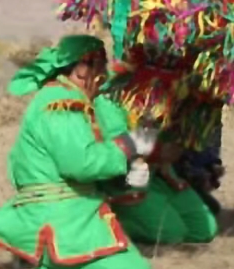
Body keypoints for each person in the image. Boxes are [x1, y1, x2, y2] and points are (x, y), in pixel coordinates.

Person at [0, 35, 157, 269]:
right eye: (100, 66)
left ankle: (44, 264)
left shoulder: (65, 99)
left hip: (70, 208)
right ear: (81, 68)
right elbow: (81, 165)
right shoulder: (61, 105)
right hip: (60, 215)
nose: (103, 75)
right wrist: (127, 145)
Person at [93, 96, 219, 245]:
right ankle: (108, 220)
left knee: (204, 230)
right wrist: (158, 152)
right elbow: (117, 144)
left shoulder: (166, 85)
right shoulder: (110, 95)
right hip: (127, 182)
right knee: (172, 234)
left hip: (160, 176)